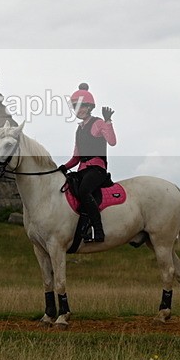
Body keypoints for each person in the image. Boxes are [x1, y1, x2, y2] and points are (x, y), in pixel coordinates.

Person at [58, 83, 117, 243]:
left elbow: (112, 142)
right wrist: (62, 168)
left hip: (97, 169)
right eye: (76, 107)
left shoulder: (98, 123)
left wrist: (108, 121)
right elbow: (76, 157)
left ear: (90, 107)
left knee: (84, 191)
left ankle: (98, 231)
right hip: (82, 170)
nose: (79, 110)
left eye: (82, 106)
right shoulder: (79, 130)